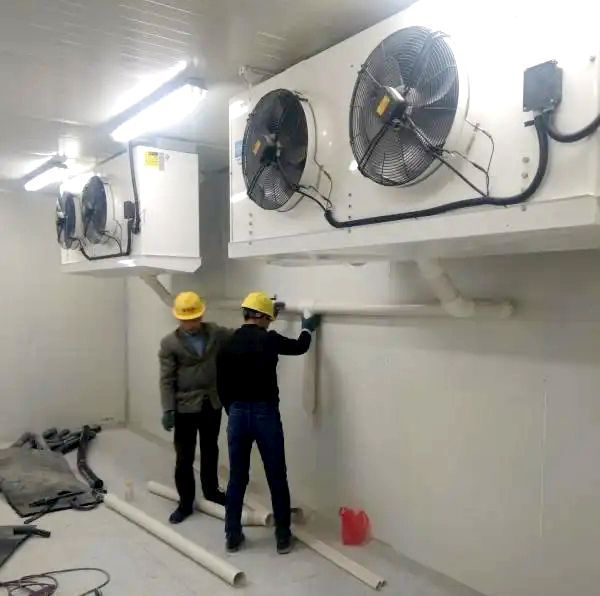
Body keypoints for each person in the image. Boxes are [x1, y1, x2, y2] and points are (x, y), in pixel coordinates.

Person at [216, 292, 321, 554]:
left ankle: (232, 536)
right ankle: (283, 538)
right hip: (265, 414)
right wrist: (307, 327)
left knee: (237, 478)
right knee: (276, 476)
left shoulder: (227, 342)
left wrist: (233, 409)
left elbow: (221, 384)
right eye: (270, 317)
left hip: (237, 413)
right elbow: (300, 347)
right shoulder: (269, 339)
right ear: (263, 316)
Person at [159, 291, 232, 524]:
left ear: (201, 316)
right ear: (178, 318)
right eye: (186, 320)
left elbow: (241, 336)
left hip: (211, 403)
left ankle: (212, 491)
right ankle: (185, 502)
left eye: (194, 319)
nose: (190, 325)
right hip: (184, 408)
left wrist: (261, 318)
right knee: (184, 457)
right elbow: (167, 379)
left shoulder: (215, 333)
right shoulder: (169, 344)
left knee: (210, 450)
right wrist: (168, 409)